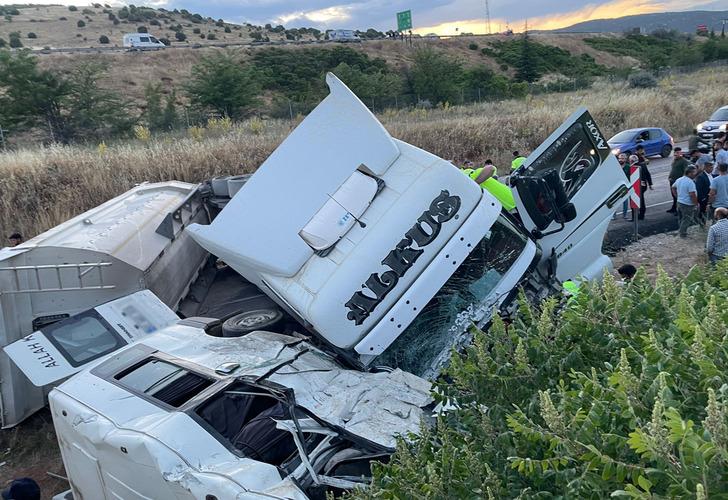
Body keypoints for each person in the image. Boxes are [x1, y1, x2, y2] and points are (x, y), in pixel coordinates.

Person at [672, 165, 699, 238]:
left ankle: (680, 231)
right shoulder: (690, 182)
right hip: (687, 204)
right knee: (687, 219)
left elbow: (673, 187)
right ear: (689, 173)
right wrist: (696, 204)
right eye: (694, 172)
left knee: (681, 218)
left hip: (679, 202)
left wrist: (677, 196)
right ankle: (682, 233)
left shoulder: (679, 179)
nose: (695, 174)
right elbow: (692, 195)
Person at [667, 147, 688, 214]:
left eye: (678, 153)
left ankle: (678, 210)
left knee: (678, 196)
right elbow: (673, 169)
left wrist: (682, 180)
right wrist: (669, 176)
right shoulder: (675, 160)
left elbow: (685, 171)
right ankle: (674, 208)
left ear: (680, 153)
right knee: (674, 195)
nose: (676, 154)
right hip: (672, 180)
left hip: (678, 181)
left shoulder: (684, 161)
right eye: (675, 152)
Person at [633, 153, 652, 220]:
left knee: (639, 200)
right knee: (641, 200)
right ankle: (640, 214)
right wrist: (650, 184)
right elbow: (648, 175)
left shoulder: (634, 167)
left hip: (639, 186)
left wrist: (650, 184)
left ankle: (639, 215)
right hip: (642, 185)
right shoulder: (642, 165)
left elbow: (647, 174)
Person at [695, 159, 713, 225]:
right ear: (705, 168)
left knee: (710, 212)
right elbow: (698, 189)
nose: (712, 169)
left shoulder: (711, 175)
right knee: (703, 212)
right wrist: (703, 199)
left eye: (712, 167)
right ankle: (702, 224)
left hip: (711, 197)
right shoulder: (701, 177)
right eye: (710, 167)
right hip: (704, 198)